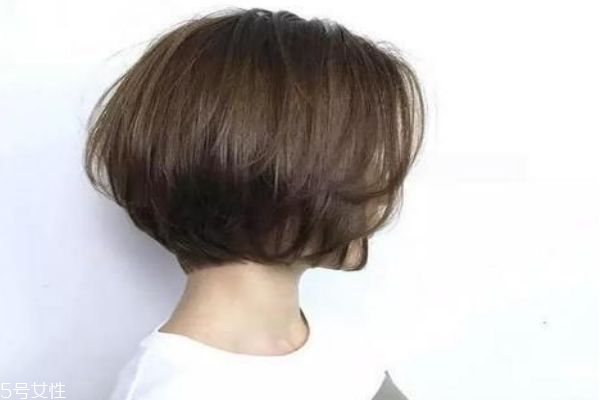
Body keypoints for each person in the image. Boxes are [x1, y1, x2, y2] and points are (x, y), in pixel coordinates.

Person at [83, 7, 424, 400]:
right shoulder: (181, 390)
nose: (383, 194)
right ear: (266, 168)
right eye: (363, 162)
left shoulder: (343, 349)